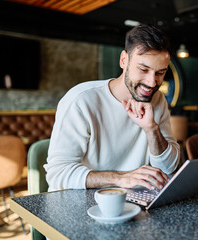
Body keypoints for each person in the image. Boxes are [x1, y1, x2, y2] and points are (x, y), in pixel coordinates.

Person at [44, 24, 180, 192]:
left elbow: (169, 167)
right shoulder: (82, 100)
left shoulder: (157, 100)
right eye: (143, 69)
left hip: (133, 199)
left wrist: (151, 129)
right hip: (80, 201)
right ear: (124, 60)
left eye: (160, 73)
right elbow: (58, 173)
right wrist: (121, 178)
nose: (152, 82)